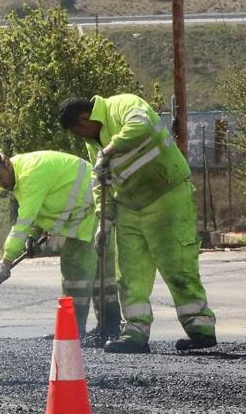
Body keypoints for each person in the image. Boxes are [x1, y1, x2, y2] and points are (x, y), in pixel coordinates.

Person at [58, 94, 216, 353]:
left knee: (177, 266)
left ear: (86, 119)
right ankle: (135, 331)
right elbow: (101, 183)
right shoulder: (92, 140)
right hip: (129, 206)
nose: (80, 136)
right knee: (129, 274)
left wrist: (109, 150)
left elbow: (141, 125)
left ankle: (200, 328)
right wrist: (103, 221)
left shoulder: (122, 106)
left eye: (78, 130)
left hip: (166, 195)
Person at [0, 150, 118, 339]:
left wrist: (5, 263)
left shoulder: (30, 174)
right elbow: (39, 211)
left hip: (91, 209)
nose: (1, 185)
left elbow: (23, 222)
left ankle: (75, 332)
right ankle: (108, 329)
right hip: (91, 208)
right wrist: (33, 236)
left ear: (6, 163)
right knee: (100, 276)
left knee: (75, 269)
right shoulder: (21, 177)